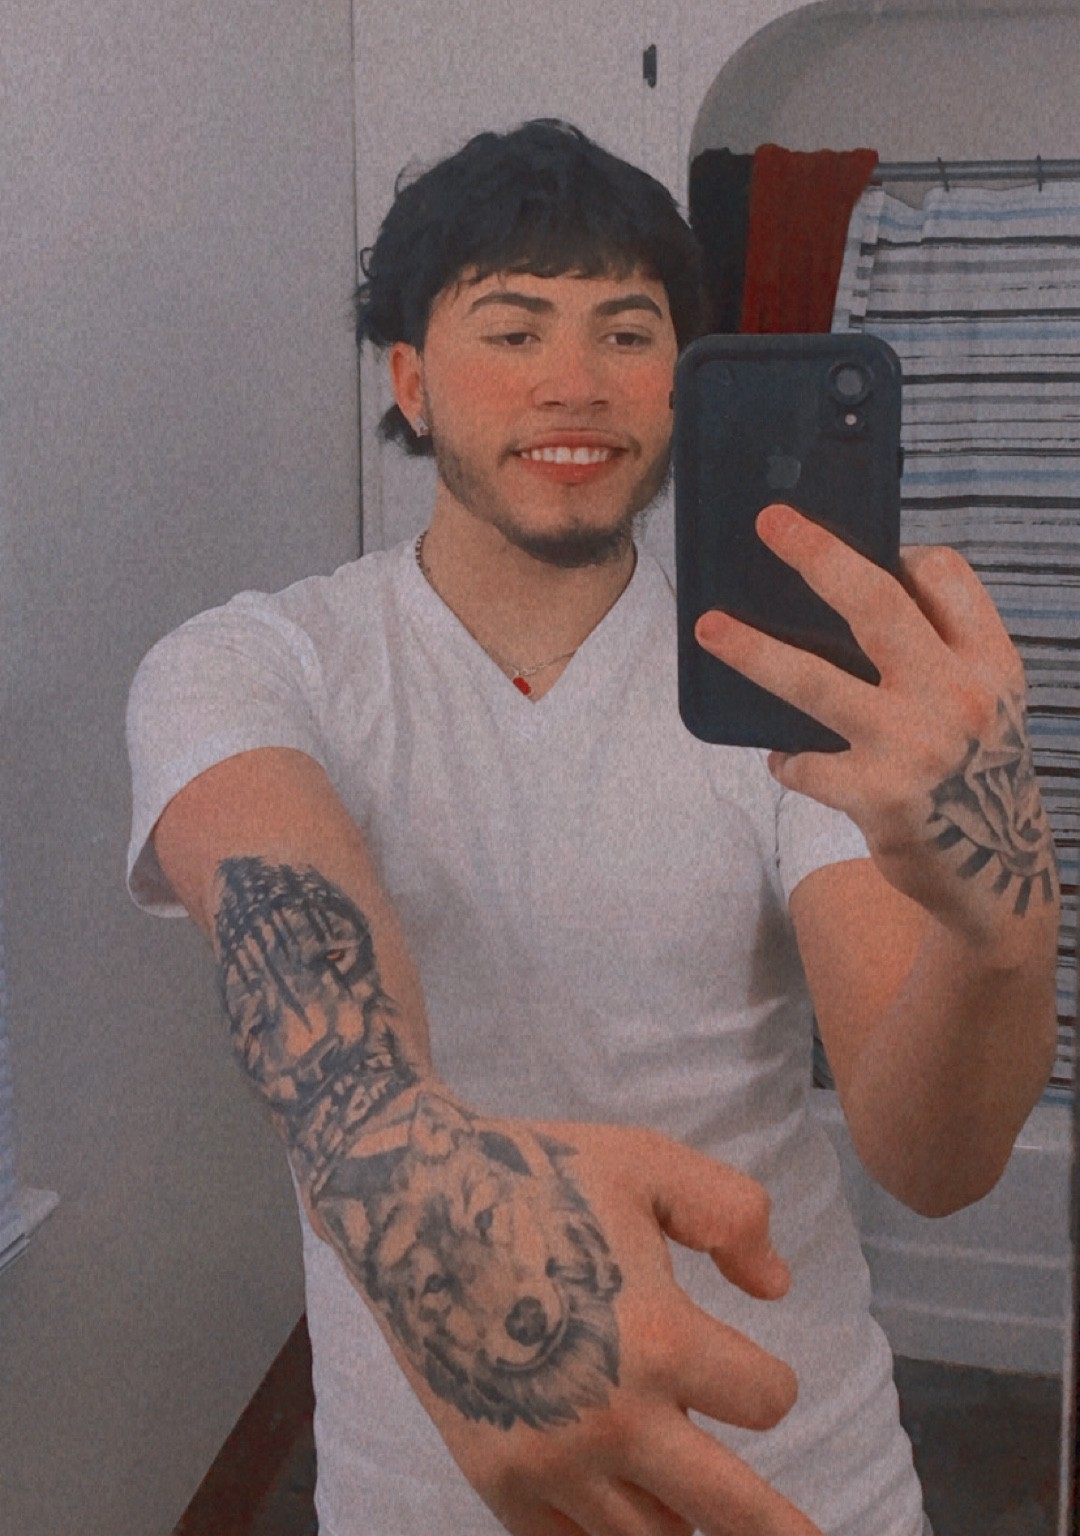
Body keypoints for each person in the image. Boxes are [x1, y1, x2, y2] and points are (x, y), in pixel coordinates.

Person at [125, 119, 1061, 1536]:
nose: (577, 382)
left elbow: (933, 1161)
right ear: (411, 379)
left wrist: (1001, 927)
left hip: (798, 1466)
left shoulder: (779, 683)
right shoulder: (260, 663)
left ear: (681, 380)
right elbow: (299, 965)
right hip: (430, 1484)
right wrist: (412, 1172)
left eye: (629, 333)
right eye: (513, 330)